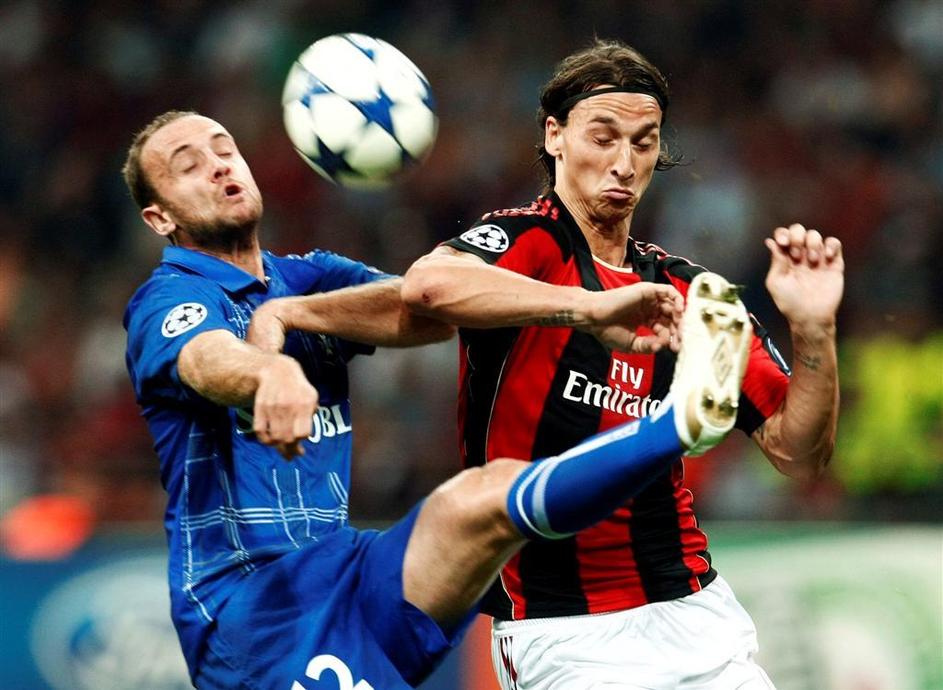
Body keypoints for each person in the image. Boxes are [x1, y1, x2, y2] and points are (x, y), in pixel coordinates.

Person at [122, 110, 755, 690]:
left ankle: (682, 419)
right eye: (189, 165)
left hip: (345, 567)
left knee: (481, 497)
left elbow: (430, 311)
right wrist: (268, 374)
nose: (218, 165)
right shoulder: (169, 297)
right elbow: (205, 358)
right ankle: (678, 423)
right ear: (160, 218)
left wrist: (586, 308)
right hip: (254, 614)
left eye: (225, 148)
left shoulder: (302, 278)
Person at [401, 39, 844, 690]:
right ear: (554, 136)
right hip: (563, 632)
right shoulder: (530, 243)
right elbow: (427, 285)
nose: (624, 163)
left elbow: (798, 453)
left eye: (643, 142)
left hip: (695, 612)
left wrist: (813, 329)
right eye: (603, 137)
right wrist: (586, 307)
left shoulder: (688, 290)